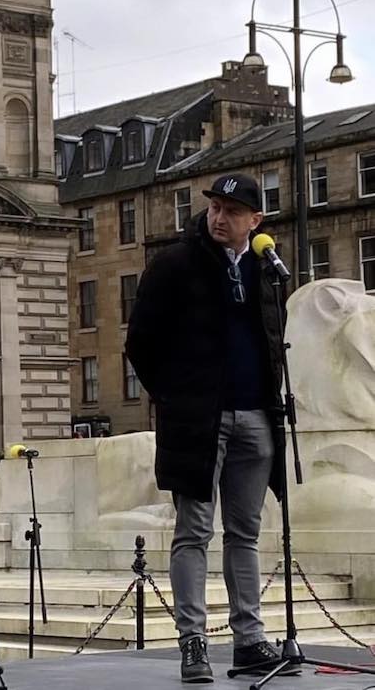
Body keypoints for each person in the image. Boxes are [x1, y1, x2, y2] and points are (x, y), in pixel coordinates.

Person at [125, 173, 287, 683]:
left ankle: (249, 641)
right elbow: (140, 343)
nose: (219, 217)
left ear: (255, 221)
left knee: (246, 532)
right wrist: (174, 397)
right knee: (193, 531)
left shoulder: (267, 268)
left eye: (232, 210)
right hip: (199, 420)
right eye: (215, 206)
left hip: (256, 415)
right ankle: (192, 642)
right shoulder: (175, 264)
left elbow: (273, 338)